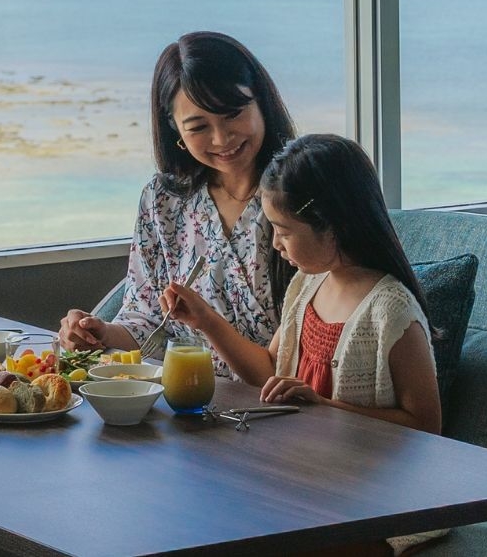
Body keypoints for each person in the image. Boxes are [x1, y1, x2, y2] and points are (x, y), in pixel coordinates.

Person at [161, 133, 441, 434]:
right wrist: (205, 319)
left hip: (356, 464)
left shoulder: (391, 313)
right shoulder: (306, 286)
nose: (275, 244)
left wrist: (324, 406)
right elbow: (269, 370)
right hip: (296, 454)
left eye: (284, 231)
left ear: (333, 226)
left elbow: (427, 426)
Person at [56, 31, 297, 377]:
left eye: (232, 114)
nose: (221, 138)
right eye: (198, 127)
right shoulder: (163, 200)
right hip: (184, 394)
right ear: (176, 133)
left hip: (282, 396)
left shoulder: (303, 190)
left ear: (262, 102)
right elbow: (147, 321)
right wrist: (99, 333)